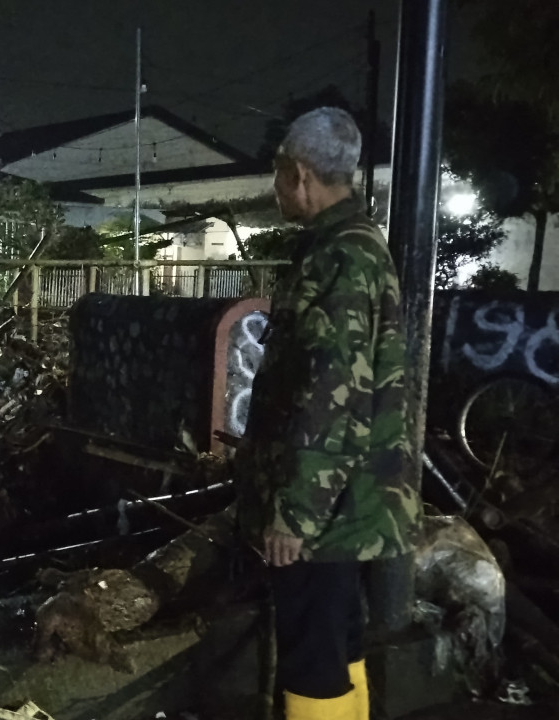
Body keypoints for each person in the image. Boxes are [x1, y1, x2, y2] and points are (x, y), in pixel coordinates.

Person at [233, 107, 419, 720]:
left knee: (311, 656)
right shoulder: (358, 246)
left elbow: (328, 394)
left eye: (279, 175)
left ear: (299, 173)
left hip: (324, 509)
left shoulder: (337, 257)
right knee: (339, 641)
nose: (277, 188)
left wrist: (294, 514)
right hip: (353, 499)